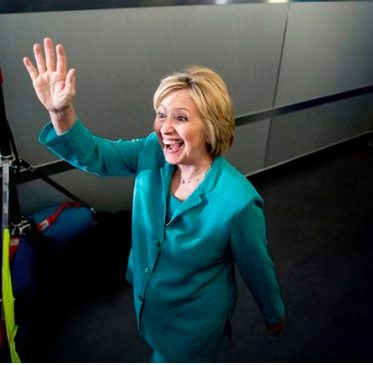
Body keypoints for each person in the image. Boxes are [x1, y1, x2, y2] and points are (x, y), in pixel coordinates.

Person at [23, 37, 286, 362]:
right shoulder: (151, 151)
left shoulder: (239, 202)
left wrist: (274, 314)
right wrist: (60, 111)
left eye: (181, 118)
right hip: (150, 304)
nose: (164, 128)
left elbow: (257, 267)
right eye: (161, 115)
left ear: (211, 127)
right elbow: (97, 155)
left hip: (194, 329)